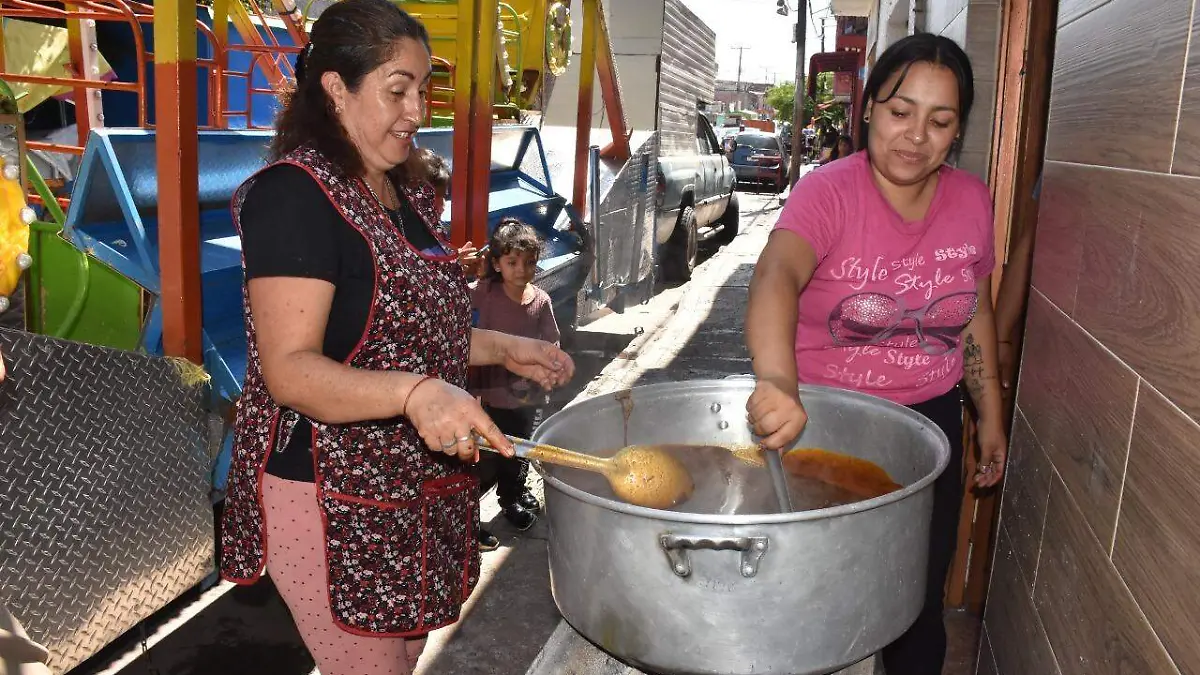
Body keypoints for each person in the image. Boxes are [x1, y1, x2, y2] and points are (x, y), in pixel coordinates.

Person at [219, 2, 575, 674]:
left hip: (405, 486)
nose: (416, 110)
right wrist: (416, 394)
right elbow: (289, 371)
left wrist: (506, 348)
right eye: (397, 89)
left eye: (423, 89)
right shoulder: (296, 195)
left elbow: (414, 336)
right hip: (326, 492)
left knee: (402, 656)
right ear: (336, 88)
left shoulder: (397, 194)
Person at [743, 33, 1006, 675]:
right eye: (900, 112)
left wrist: (990, 415)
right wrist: (776, 381)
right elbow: (776, 275)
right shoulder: (828, 192)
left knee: (915, 600)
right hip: (820, 425)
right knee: (810, 596)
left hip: (929, 428)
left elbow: (975, 314)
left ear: (958, 130)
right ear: (868, 111)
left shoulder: (972, 200)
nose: (916, 135)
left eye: (939, 121)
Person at [469, 218, 560, 548]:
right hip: (487, 397)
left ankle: (511, 500)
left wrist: (550, 369)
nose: (521, 270)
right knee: (484, 461)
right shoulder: (482, 295)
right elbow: (458, 323)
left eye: (530, 262)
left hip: (525, 399)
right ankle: (467, 519)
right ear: (496, 264)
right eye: (512, 262)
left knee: (518, 452)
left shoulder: (541, 301)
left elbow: (551, 343)